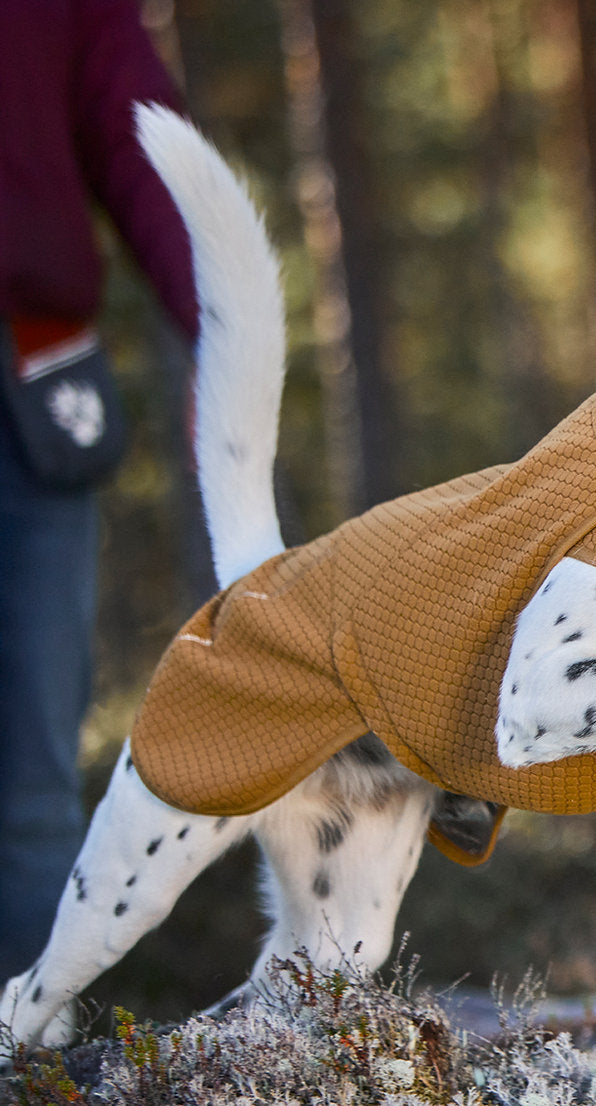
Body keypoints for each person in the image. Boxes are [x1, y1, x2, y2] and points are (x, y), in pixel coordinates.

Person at [0, 0, 199, 978]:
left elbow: (142, 139)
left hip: (36, 388)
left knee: (35, 796)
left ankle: (32, 1067)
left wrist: (221, 325)